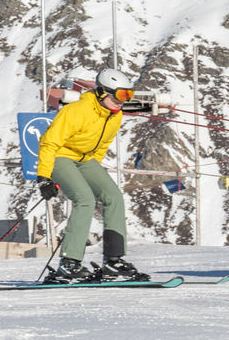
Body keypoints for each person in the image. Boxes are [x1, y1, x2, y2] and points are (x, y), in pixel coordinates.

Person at [33, 68, 147, 284]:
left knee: (113, 196)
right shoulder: (77, 110)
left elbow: (102, 145)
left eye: (129, 95)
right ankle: (69, 264)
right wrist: (44, 177)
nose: (124, 101)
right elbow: (49, 143)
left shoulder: (115, 115)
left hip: (85, 159)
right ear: (103, 92)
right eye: (121, 95)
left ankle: (114, 262)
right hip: (60, 156)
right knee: (84, 199)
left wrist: (91, 170)